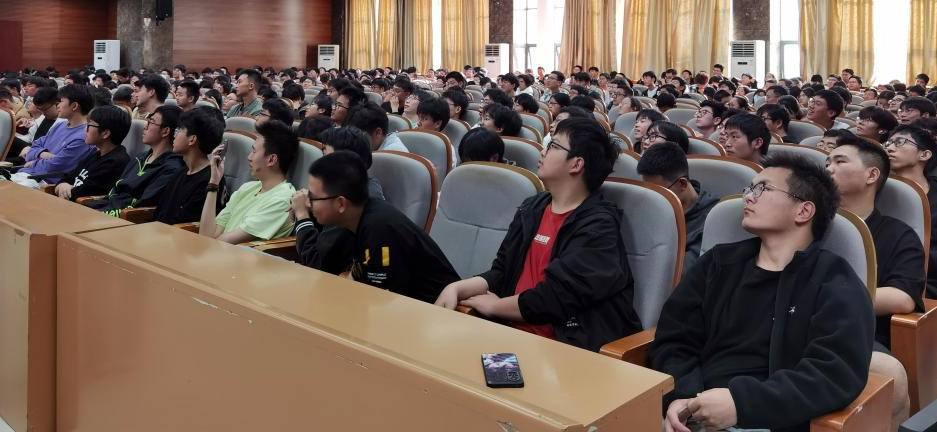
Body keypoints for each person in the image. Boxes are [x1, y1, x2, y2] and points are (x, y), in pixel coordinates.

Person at [652, 152, 874, 432]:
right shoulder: (717, 263)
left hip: (769, 419)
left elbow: (834, 372)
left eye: (762, 189)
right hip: (692, 411)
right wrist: (683, 397)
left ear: (803, 211)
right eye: (749, 188)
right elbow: (674, 340)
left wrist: (741, 404)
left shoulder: (834, 280)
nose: (748, 197)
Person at [435, 117, 642, 352]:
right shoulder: (532, 208)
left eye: (553, 146)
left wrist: (495, 307)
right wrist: (457, 288)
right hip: (508, 335)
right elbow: (502, 271)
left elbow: (555, 297)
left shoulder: (599, 226)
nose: (543, 151)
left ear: (576, 164)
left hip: (562, 348)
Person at [826, 138, 922, 430]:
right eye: (827, 162)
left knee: (889, 372)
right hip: (785, 319)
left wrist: (823, 302)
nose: (828, 168)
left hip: (856, 330)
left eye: (839, 161)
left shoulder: (898, 234)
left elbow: (903, 297)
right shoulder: (806, 221)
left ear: (871, 175)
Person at [291, 151, 459, 303]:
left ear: (341, 203)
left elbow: (380, 301)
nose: (307, 203)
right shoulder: (355, 217)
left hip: (439, 312)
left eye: (313, 198)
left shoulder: (378, 229)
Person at [885, 124, 937, 305]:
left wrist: (920, 262)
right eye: (888, 143)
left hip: (930, 281)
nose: (889, 148)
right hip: (882, 275)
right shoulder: (875, 193)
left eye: (900, 142)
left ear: (924, 154)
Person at [198, 120, 297, 244]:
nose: (249, 157)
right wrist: (214, 183)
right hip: (216, 251)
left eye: (254, 151)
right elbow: (206, 235)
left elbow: (221, 243)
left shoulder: (282, 200)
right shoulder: (247, 188)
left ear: (271, 160)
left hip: (232, 255)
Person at [85, 106, 186, 217]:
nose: (145, 127)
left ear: (165, 131)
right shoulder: (140, 157)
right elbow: (115, 191)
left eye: (151, 122)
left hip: (125, 218)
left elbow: (142, 206)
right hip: (109, 208)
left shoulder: (171, 168)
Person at [637, 142, 716, 272]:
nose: (653, 198)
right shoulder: (649, 208)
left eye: (660, 192)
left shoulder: (711, 220)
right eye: (649, 191)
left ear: (682, 184)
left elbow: (684, 272)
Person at [153, 107, 225, 224]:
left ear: (192, 139)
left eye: (180, 129)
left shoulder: (211, 179)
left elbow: (186, 225)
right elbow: (160, 212)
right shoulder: (180, 172)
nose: (175, 134)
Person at [12, 85, 94, 187]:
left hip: (44, 182)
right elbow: (35, 144)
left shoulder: (84, 136)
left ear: (74, 106)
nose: (57, 106)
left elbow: (56, 165)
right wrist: (42, 154)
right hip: (27, 174)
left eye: (61, 101)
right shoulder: (60, 125)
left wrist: (34, 161)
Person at [52, 105, 131, 202]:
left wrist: (65, 188)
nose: (85, 129)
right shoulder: (96, 153)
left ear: (105, 133)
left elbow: (86, 193)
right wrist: (62, 184)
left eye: (89, 125)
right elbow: (68, 177)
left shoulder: (115, 162)